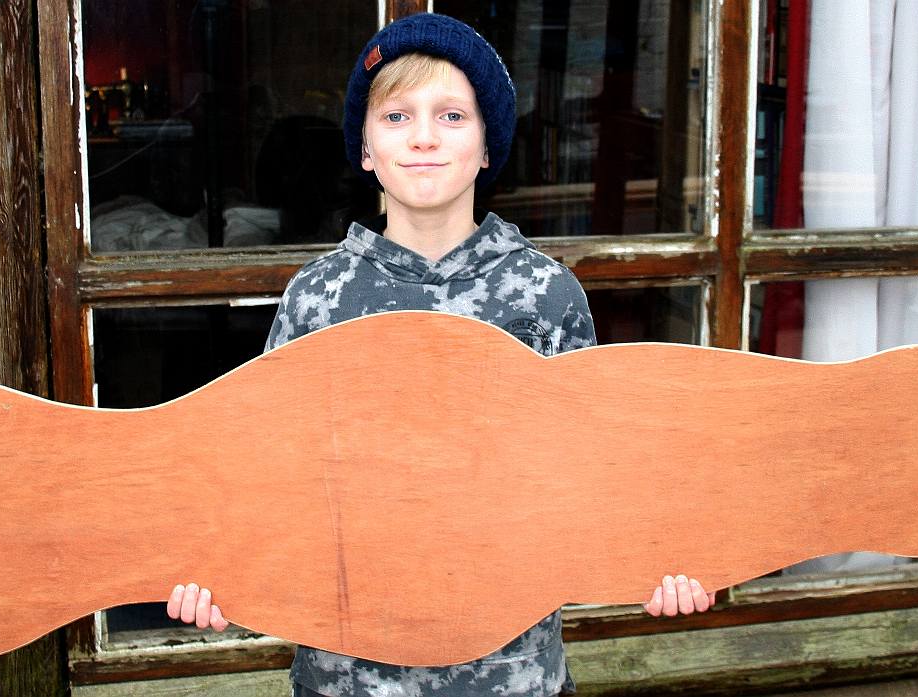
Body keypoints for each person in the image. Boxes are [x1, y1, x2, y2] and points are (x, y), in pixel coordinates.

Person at [166, 13, 711, 696]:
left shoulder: (546, 295)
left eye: (452, 115)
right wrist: (219, 573)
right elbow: (268, 484)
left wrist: (660, 561)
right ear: (364, 147)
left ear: (489, 144)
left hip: (513, 679)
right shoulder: (317, 298)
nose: (424, 137)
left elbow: (588, 484)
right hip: (346, 678)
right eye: (396, 117)